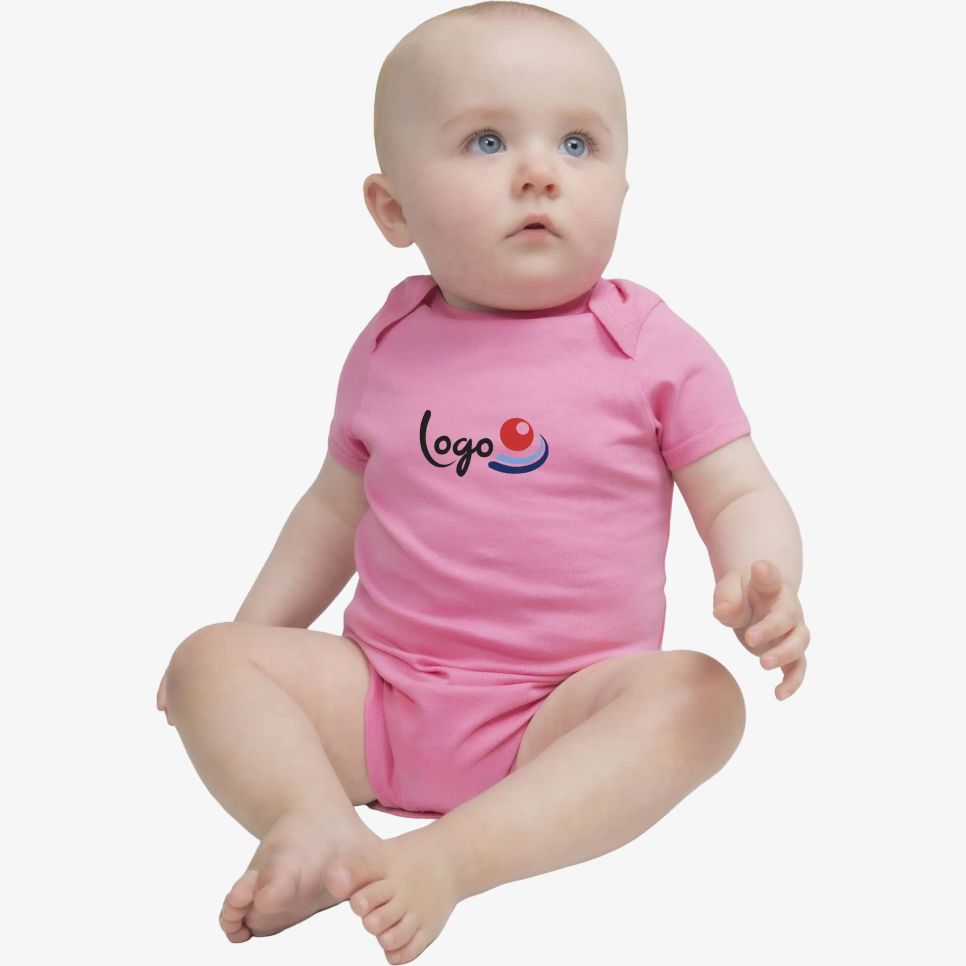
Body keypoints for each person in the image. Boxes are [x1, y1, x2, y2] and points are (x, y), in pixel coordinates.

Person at [156, 3, 809, 962]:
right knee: (206, 660)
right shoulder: (388, 343)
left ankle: (453, 858)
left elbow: (740, 491)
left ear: (623, 187)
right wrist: (259, 637)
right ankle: (313, 821)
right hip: (380, 700)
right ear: (394, 210)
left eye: (578, 144)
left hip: (563, 721)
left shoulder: (648, 346)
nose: (540, 172)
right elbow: (333, 509)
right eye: (488, 141)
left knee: (701, 700)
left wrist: (763, 579)